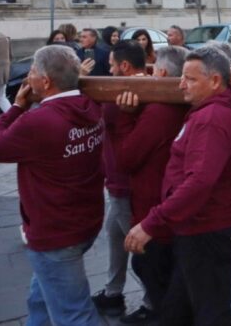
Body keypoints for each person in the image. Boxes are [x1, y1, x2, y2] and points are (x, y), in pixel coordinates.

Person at [124, 47, 231, 326]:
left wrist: (151, 224)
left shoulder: (212, 119)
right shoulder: (205, 113)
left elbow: (199, 182)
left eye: (190, 79)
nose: (181, 84)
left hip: (207, 233)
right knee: (177, 314)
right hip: (197, 230)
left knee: (209, 315)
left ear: (215, 81)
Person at [0, 45, 104, 325]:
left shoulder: (38, 121)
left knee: (74, 314)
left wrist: (17, 107)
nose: (28, 77)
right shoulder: (91, 106)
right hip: (84, 222)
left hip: (55, 233)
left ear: (45, 82)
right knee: (41, 299)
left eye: (32, 71)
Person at [112, 45, 189, 324]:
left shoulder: (159, 110)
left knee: (151, 268)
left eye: (153, 69)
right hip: (170, 208)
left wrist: (125, 116)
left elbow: (126, 158)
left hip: (155, 208)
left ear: (163, 72)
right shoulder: (184, 104)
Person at [91, 41, 148, 318]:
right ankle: (113, 292)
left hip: (125, 183)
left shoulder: (119, 99)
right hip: (118, 182)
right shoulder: (138, 88)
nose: (110, 69)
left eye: (112, 65)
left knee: (141, 246)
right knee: (115, 234)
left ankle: (152, 301)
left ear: (124, 66)